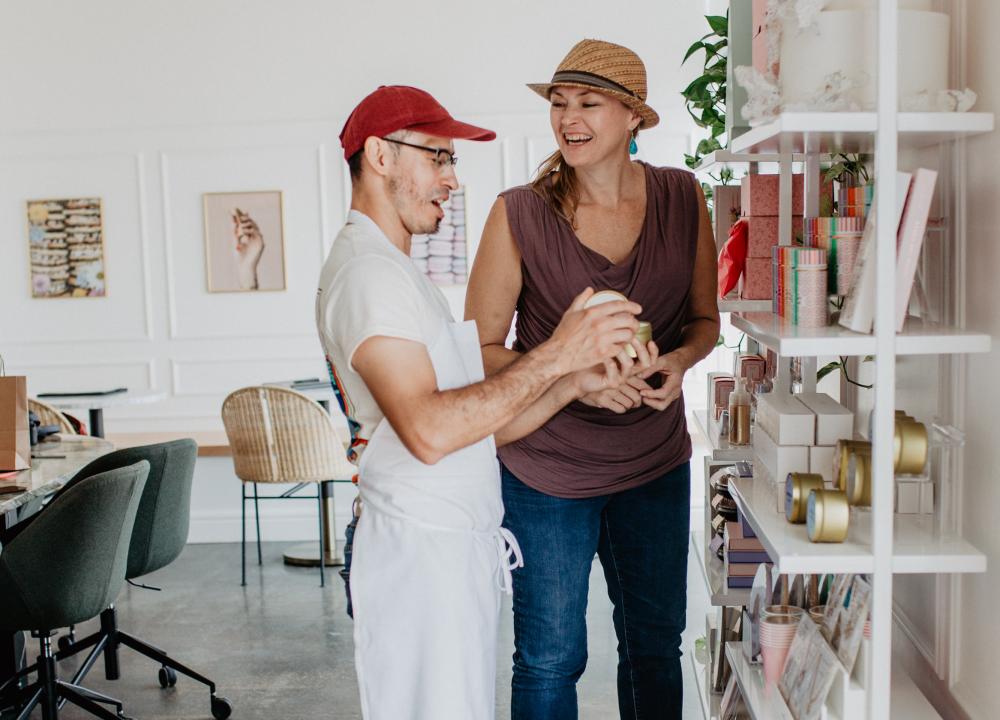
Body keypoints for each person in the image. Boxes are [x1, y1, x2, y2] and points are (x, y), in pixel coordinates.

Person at [316, 85, 651, 720]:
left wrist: (574, 382)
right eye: (437, 158)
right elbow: (429, 431)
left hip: (446, 549)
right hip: (419, 557)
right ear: (380, 156)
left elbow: (477, 423)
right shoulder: (369, 276)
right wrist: (558, 351)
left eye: (452, 162)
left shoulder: (396, 271)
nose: (451, 179)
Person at [465, 40, 721, 720]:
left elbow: (704, 322)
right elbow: (480, 352)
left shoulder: (682, 195)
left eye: (588, 103)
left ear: (634, 117)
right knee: (551, 656)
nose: (568, 118)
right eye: (558, 103)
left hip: (654, 463)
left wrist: (678, 363)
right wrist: (571, 374)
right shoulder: (517, 213)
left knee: (654, 645)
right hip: (546, 469)